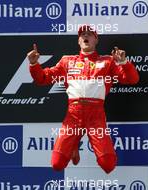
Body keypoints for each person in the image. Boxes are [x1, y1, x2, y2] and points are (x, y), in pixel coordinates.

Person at [27, 25, 139, 174]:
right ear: (79, 41)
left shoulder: (108, 61)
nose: (86, 36)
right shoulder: (67, 61)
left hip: (96, 115)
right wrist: (34, 64)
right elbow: (42, 79)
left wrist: (124, 63)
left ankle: (74, 143)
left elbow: (132, 80)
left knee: (108, 165)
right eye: (82, 34)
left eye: (90, 34)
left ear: (96, 40)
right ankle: (73, 144)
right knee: (57, 164)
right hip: (74, 114)